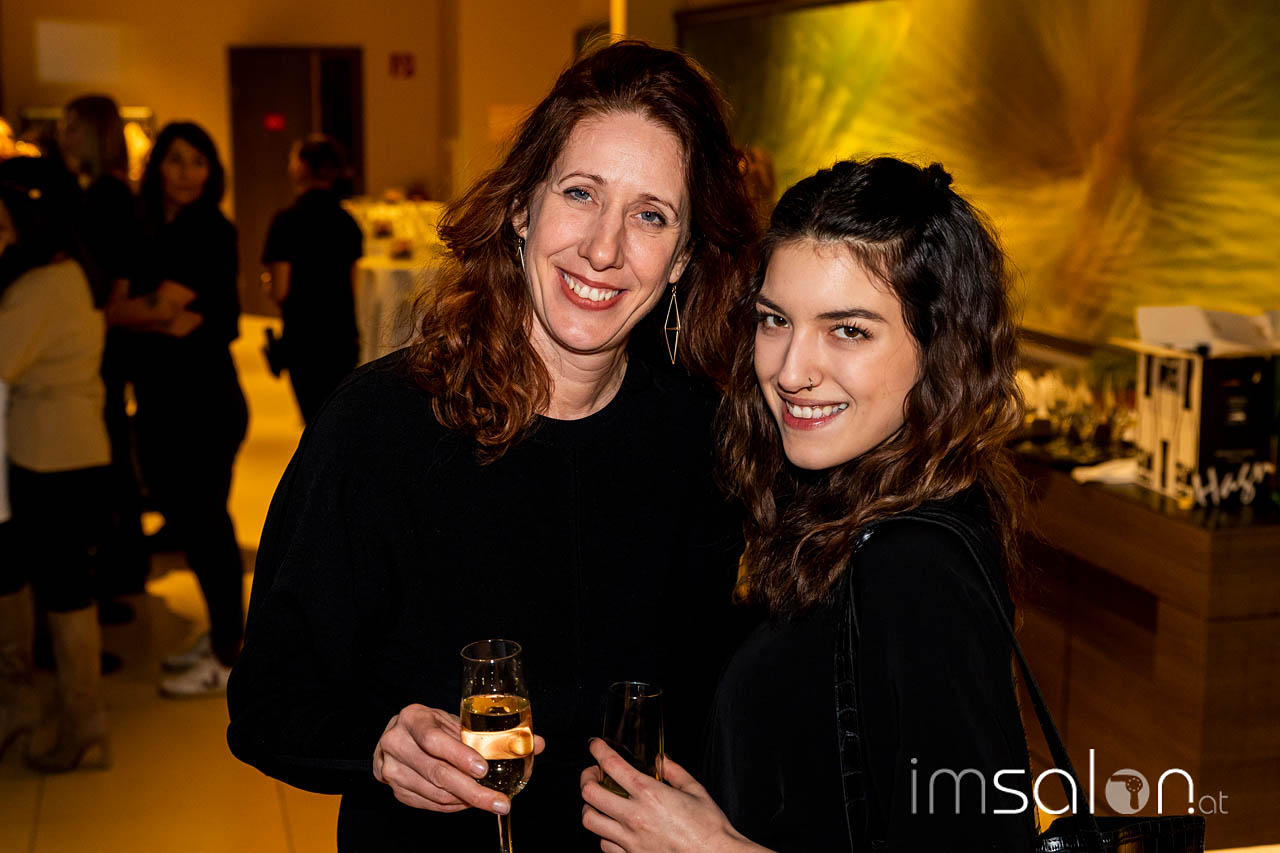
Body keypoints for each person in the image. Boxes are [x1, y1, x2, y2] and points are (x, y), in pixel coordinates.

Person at [227, 40, 757, 851]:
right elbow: (267, 700)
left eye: (650, 215)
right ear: (521, 209)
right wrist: (380, 743)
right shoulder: (381, 430)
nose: (604, 248)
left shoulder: (702, 441)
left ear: (683, 258)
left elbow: (719, 702)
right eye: (580, 193)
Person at [580, 157, 1037, 851]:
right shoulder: (838, 506)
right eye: (774, 320)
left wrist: (710, 848)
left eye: (847, 330)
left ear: (940, 347)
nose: (791, 371)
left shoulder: (916, 566)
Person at [113, 122, 247, 697]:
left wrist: (141, 312)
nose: (187, 172)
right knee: (188, 524)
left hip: (204, 402)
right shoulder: (147, 227)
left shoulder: (208, 228)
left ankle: (230, 655)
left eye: (198, 161)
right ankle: (223, 633)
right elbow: (134, 308)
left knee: (207, 525)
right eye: (175, 160)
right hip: (160, 401)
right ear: (157, 167)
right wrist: (152, 314)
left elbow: (145, 309)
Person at [0, 156, 112, 772]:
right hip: (64, 449)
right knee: (51, 585)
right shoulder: (68, 271)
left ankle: (82, 723)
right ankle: (52, 715)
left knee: (65, 593)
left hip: (54, 457)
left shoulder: (43, 286)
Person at [60, 94, 151, 616]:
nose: (64, 136)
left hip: (105, 342)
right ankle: (125, 560)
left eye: (73, 127)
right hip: (109, 339)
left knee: (110, 450)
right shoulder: (107, 191)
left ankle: (121, 565)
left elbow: (117, 271)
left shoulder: (104, 195)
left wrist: (95, 319)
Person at [261, 134, 363, 423]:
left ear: (302, 167)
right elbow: (353, 286)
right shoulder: (348, 222)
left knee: (313, 422)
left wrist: (266, 284)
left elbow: (280, 291)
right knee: (339, 421)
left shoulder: (286, 221)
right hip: (341, 335)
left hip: (303, 337)